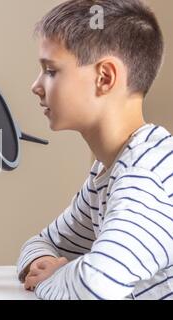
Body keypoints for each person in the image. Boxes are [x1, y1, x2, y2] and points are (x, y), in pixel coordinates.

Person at [17, 0, 173, 300]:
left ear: (105, 78)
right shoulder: (109, 170)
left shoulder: (144, 177)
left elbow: (93, 289)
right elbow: (41, 243)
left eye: (50, 71)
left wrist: (57, 274)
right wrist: (45, 263)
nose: (35, 86)